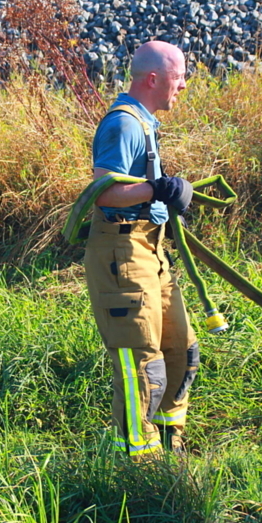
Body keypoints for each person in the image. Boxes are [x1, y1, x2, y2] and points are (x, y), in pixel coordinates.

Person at [84, 40, 199, 461]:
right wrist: (157, 188)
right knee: (140, 364)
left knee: (181, 349)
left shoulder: (146, 121)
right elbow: (103, 193)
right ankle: (139, 464)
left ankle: (170, 448)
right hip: (121, 252)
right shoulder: (124, 124)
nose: (183, 85)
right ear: (153, 79)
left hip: (150, 249)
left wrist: (164, 202)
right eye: (179, 76)